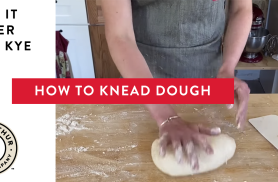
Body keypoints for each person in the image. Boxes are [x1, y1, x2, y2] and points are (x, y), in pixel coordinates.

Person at [101, 0, 252, 170]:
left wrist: (228, 68)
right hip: (141, 78)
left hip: (208, 76)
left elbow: (241, 9)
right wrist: (165, 116)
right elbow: (120, 36)